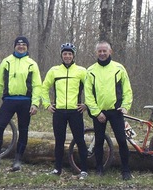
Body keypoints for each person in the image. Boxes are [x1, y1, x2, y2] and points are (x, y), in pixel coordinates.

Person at [0, 36, 42, 171]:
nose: (21, 47)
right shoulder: (6, 62)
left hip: (25, 102)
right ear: (15, 46)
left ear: (27, 47)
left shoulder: (32, 64)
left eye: (23, 45)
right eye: (18, 44)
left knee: (23, 130)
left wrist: (35, 103)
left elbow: (37, 85)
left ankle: (17, 160)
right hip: (8, 100)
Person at [84, 41, 133, 180]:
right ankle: (99, 169)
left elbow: (127, 90)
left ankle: (126, 170)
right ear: (96, 53)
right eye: (99, 51)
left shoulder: (119, 68)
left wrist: (125, 106)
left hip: (116, 111)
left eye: (104, 51)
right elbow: (88, 95)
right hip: (99, 112)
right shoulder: (91, 70)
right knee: (99, 141)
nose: (102, 53)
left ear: (110, 52)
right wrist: (96, 112)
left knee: (122, 141)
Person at [41, 43, 88, 179]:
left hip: (75, 111)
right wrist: (46, 104)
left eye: (70, 54)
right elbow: (44, 88)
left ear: (73, 55)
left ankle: (83, 170)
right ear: (61, 55)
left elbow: (91, 88)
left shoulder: (81, 71)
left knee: (80, 140)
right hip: (59, 112)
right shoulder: (54, 71)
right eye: (65, 54)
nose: (67, 56)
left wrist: (86, 104)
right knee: (59, 141)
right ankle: (57, 169)